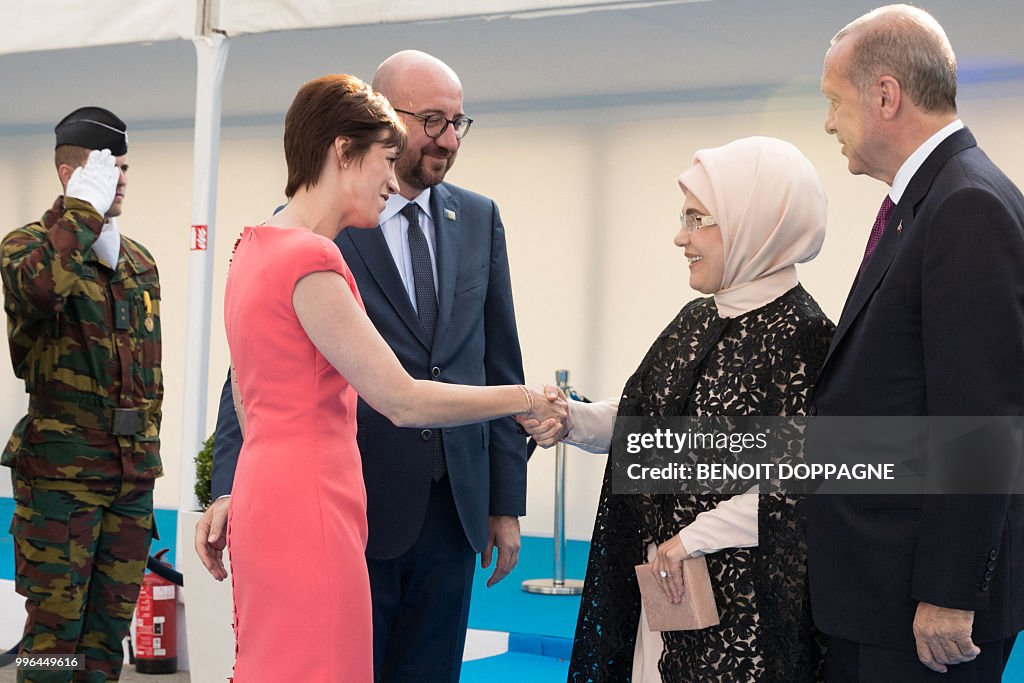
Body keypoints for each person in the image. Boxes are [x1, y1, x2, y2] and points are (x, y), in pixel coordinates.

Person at [217, 73, 564, 683]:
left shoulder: (255, 245)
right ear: (343, 151)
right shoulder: (312, 256)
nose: (390, 178)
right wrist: (526, 399)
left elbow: (251, 391)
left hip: (279, 495)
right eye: (385, 157)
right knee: (327, 665)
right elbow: (401, 399)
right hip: (318, 502)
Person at [521, 136, 834, 681]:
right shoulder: (696, 320)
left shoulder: (805, 339)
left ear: (755, 222)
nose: (680, 237)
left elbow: (803, 483)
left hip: (746, 615)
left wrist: (693, 538)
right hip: (667, 594)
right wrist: (572, 419)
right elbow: (644, 423)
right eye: (682, 218)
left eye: (697, 219)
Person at [806, 5, 1024, 681]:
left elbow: (982, 417)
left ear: (885, 96)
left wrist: (950, 591)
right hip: (882, 591)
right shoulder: (931, 201)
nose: (829, 122)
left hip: (922, 609)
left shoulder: (965, 205)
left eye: (835, 102)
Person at [1, 107, 162, 682]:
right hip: (61, 484)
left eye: (124, 168)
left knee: (105, 638)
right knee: (54, 637)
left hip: (129, 478)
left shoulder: (137, 261)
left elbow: (149, 375)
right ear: (71, 174)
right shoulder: (27, 248)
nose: (121, 179)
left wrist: (146, 460)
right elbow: (42, 293)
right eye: (107, 168)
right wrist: (81, 214)